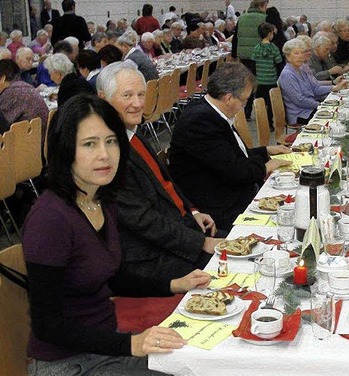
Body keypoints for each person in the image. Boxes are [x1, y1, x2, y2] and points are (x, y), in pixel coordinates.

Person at [23, 93, 211, 375]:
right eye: (89, 144)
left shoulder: (100, 200)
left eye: (111, 141)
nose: (105, 154)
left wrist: (174, 284)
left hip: (106, 347)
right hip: (68, 363)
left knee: (199, 359)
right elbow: (47, 324)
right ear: (64, 150)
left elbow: (113, 276)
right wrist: (131, 343)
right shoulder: (50, 219)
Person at [95, 61, 221, 279]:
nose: (137, 104)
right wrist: (201, 243)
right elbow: (143, 221)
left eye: (141, 95)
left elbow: (166, 181)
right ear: (103, 99)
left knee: (248, 242)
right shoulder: (106, 154)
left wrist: (193, 211)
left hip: (175, 229)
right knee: (234, 263)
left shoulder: (133, 132)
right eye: (127, 96)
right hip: (145, 257)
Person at [168, 62, 292, 231]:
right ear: (228, 98)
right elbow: (237, 171)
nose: (244, 105)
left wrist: (265, 150)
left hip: (227, 188)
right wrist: (266, 166)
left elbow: (227, 154)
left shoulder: (209, 110)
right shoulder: (200, 122)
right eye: (244, 100)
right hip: (218, 205)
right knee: (288, 214)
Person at [278, 38, 347, 125]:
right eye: (296, 53)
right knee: (335, 117)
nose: (300, 56)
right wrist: (320, 105)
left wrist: (334, 87)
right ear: (288, 56)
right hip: (300, 114)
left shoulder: (302, 68)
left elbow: (315, 88)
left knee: (339, 110)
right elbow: (299, 100)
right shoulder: (287, 74)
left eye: (302, 53)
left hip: (310, 108)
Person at [232, 0, 269, 119]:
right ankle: (260, 111)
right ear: (262, 5)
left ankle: (246, 111)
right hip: (260, 55)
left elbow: (235, 37)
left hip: (244, 55)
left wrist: (234, 54)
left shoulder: (242, 18)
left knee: (247, 82)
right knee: (260, 83)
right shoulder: (265, 18)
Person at [0, 60, 48, 142]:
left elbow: (3, 128)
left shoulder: (12, 92)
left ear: (3, 78)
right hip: (39, 140)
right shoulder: (24, 86)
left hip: (27, 145)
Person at [252, 22, 282, 131]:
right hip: (271, 81)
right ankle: (270, 123)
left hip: (260, 81)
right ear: (270, 34)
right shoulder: (274, 48)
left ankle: (261, 123)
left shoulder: (256, 48)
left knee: (260, 103)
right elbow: (278, 62)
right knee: (270, 104)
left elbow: (253, 63)